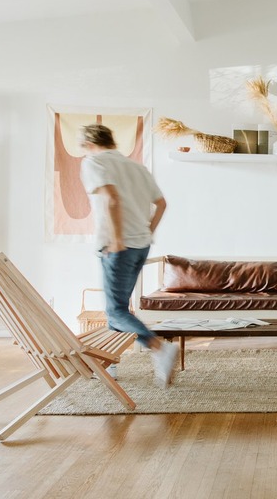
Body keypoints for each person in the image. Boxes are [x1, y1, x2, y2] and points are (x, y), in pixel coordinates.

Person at [79, 123, 179, 387]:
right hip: (141, 244)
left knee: (115, 311)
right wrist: (147, 232)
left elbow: (111, 199)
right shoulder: (137, 168)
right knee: (120, 308)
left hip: (118, 247)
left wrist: (116, 239)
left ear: (88, 145)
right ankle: (110, 367)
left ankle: (159, 347)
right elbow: (161, 204)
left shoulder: (93, 163)